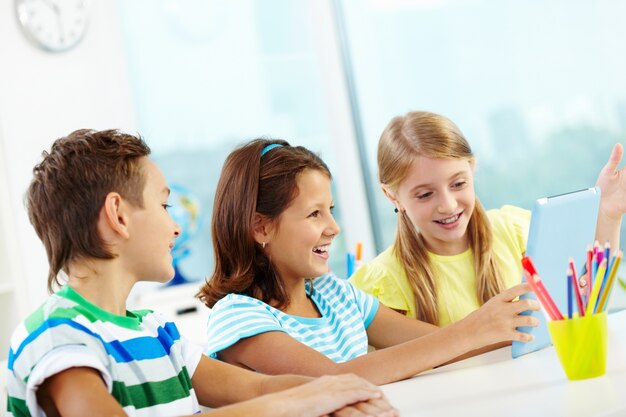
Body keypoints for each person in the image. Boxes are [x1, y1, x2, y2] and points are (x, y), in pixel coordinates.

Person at [5, 129, 397, 417]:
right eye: (163, 206)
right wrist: (300, 401)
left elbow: (259, 387)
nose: (175, 227)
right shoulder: (58, 335)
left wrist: (340, 395)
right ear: (119, 216)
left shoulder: (155, 332)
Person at [197, 138, 540, 386]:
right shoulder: (238, 317)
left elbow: (439, 346)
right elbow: (335, 379)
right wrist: (472, 330)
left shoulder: (336, 296)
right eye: (314, 214)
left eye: (330, 211)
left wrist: (531, 317)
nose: (333, 228)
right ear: (261, 227)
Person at [349, 111, 625, 325]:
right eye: (425, 195)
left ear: (473, 168)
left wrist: (608, 217)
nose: (447, 205)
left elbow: (585, 299)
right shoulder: (381, 283)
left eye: (458, 184)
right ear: (392, 196)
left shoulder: (516, 231)